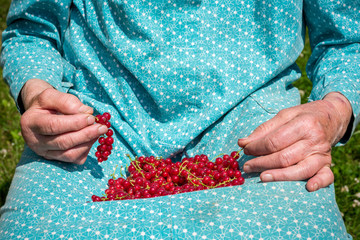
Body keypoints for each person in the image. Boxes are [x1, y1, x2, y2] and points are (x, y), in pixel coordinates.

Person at [0, 0, 359, 238]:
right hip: (95, 126)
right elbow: (32, 29)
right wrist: (38, 92)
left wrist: (334, 111)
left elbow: (348, 39)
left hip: (253, 130)